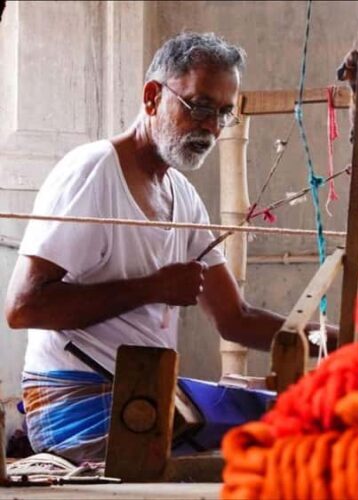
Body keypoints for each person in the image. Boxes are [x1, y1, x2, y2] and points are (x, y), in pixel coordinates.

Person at [4, 32, 329, 462]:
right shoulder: (93, 173)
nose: (211, 127)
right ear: (153, 96)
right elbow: (24, 307)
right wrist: (151, 288)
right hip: (76, 404)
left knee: (300, 415)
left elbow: (236, 318)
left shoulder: (182, 195)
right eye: (199, 107)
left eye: (223, 114)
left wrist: (333, 340)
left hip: (145, 393)